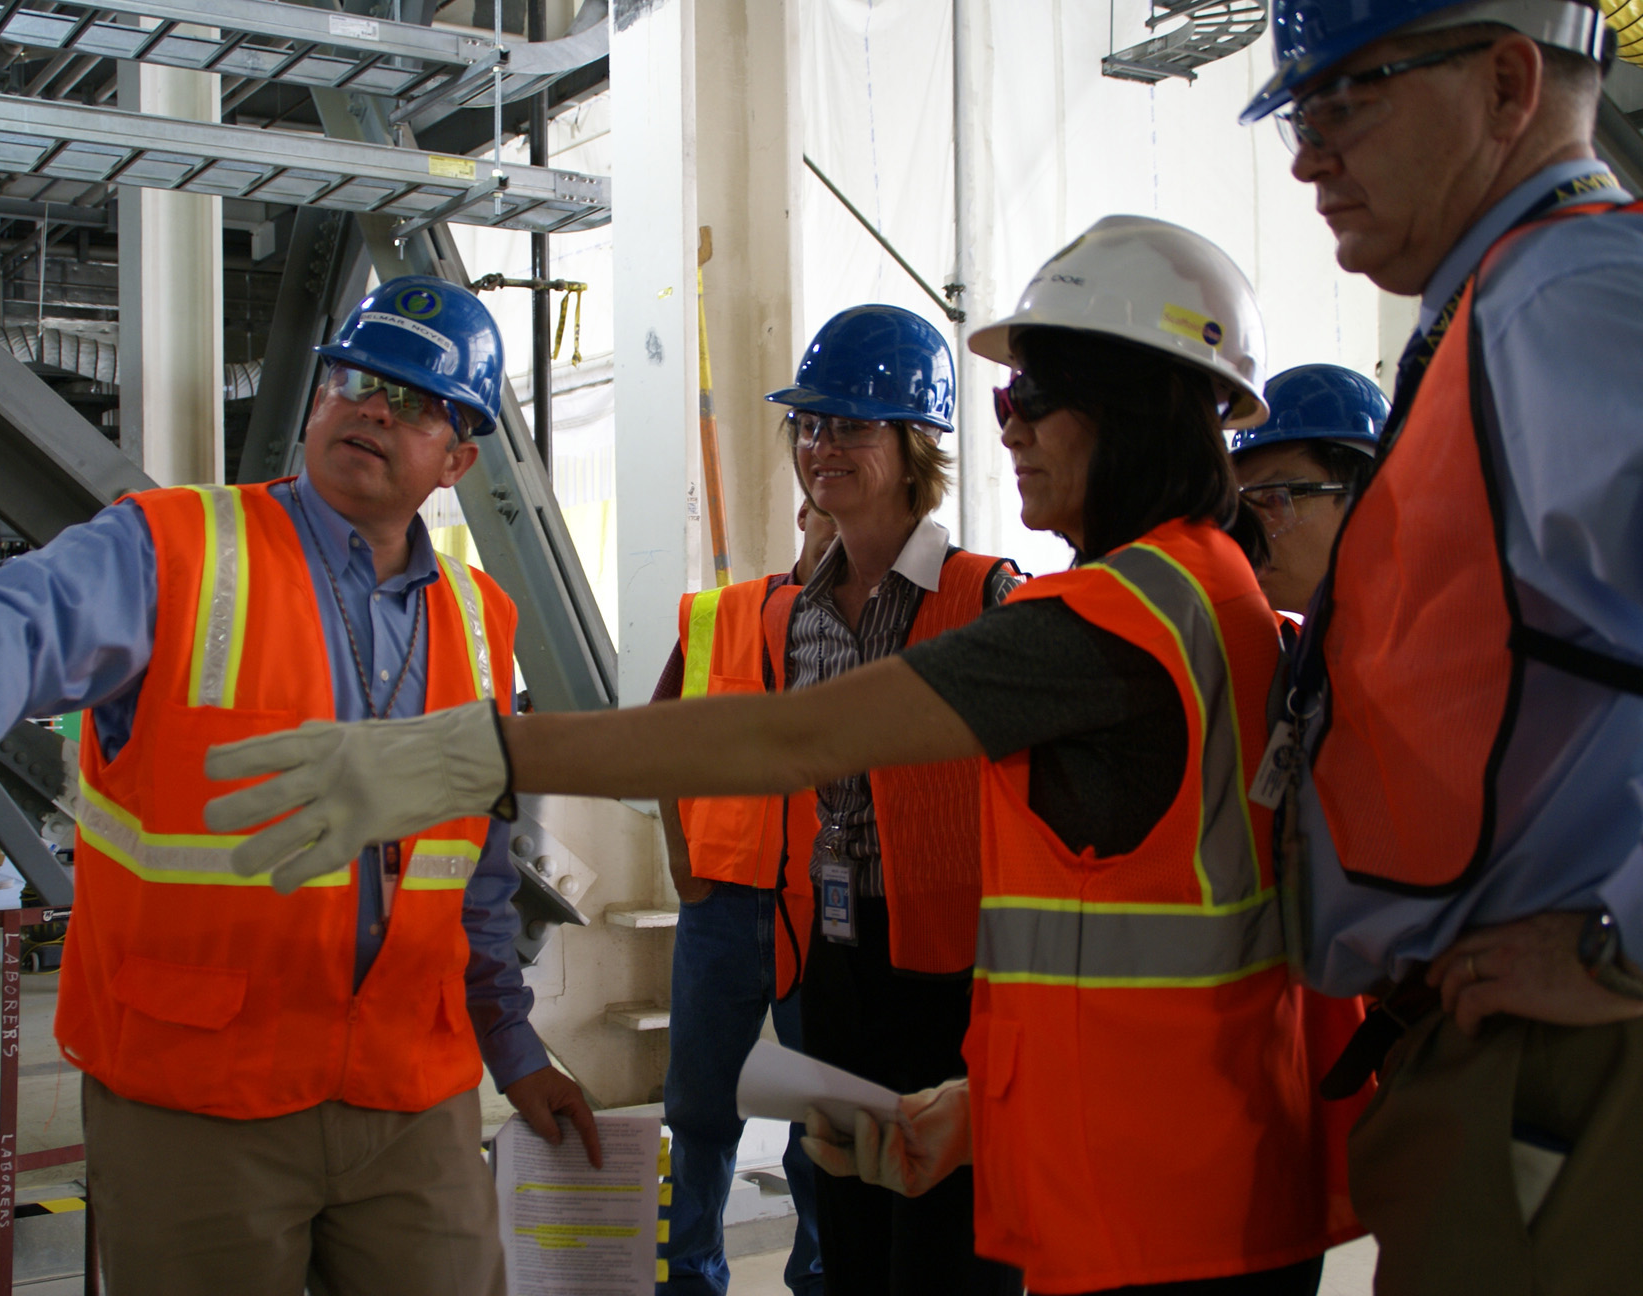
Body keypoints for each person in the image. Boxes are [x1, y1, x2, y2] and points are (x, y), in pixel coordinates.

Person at [201, 217, 1367, 1296]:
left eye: (1035, 395)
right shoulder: (1215, 597)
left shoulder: (1100, 625)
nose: (1005, 422)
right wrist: (984, 1109)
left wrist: (477, 752)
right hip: (1179, 1150)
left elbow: (792, 739)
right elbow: (1172, 944)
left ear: (1142, 408)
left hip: (1153, 1205)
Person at [0, 276, 599, 1296]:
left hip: (410, 1105)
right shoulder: (174, 550)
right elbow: (17, 621)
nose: (375, 408)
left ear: (459, 459)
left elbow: (474, 874)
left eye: (419, 403)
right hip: (198, 1102)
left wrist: (513, 1047)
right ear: (316, 400)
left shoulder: (481, 623)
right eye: (356, 378)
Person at [1237, 2, 1643, 1290]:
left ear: (1509, 82)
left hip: (1562, 1071)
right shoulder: (1503, 310)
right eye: (1301, 115)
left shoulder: (1566, 305)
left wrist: (1619, 945)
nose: (1308, 157)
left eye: (1344, 101)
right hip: (1501, 1059)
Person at [764, 305, 1022, 1296]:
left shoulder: (987, 596)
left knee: (952, 1238)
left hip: (957, 968)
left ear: (914, 449)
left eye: (850, 427)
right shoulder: (799, 615)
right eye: (809, 425)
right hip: (837, 957)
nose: (820, 446)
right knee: (851, 1220)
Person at [653, 498, 832, 1296]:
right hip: (720, 902)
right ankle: (688, 1278)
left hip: (827, 916)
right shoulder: (718, 617)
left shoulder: (886, 627)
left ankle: (823, 1277)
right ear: (802, 513)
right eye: (828, 515)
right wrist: (679, 858)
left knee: (819, 1125)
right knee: (697, 1112)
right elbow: (657, 739)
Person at [1228, 364, 1385, 613]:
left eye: (1273, 500)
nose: (1248, 533)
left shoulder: (1438, 640)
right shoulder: (1318, 647)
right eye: (1243, 505)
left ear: (1367, 502)